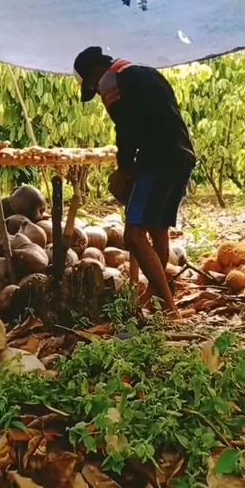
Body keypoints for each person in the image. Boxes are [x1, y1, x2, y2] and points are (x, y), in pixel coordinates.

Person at [73, 46, 195, 313]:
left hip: (157, 159)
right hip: (181, 155)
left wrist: (124, 171)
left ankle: (170, 311)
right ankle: (156, 299)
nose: (98, 90)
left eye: (92, 85)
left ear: (95, 71)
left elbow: (125, 128)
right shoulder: (147, 73)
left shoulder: (111, 79)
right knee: (157, 228)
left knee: (135, 236)